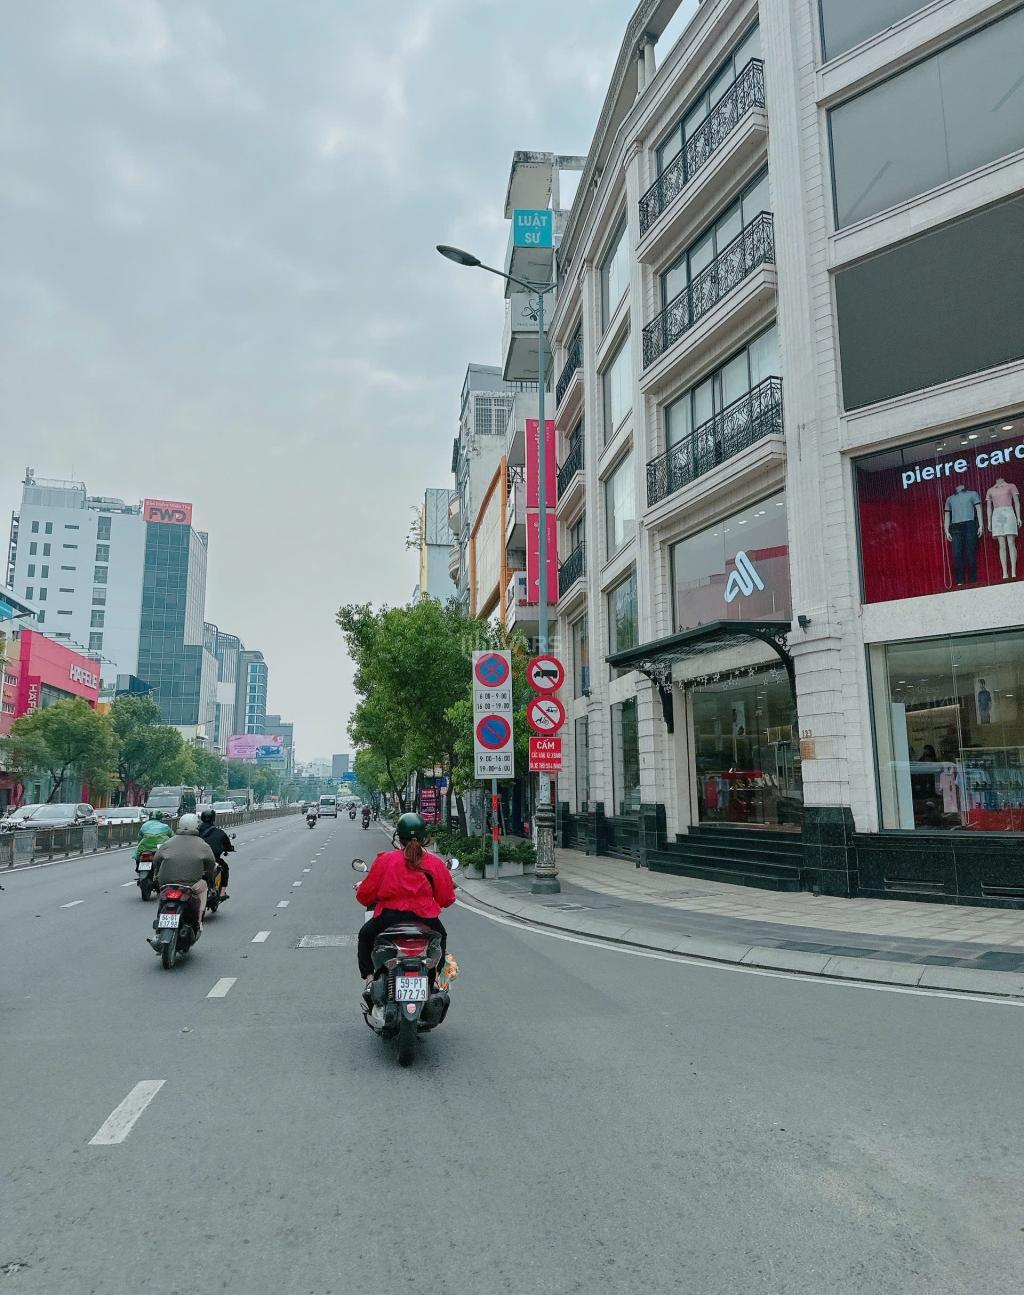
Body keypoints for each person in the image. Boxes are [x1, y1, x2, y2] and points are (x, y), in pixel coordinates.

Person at [355, 812, 456, 993]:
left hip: (389, 918)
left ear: (399, 837)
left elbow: (364, 897)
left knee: (365, 935)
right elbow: (446, 899)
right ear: (424, 837)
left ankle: (370, 980)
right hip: (426, 919)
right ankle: (435, 981)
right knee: (440, 937)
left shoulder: (385, 860)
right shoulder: (435, 863)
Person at [153, 813, 217, 927]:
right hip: (191, 885)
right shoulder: (202, 845)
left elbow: (156, 860)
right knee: (204, 887)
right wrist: (207, 872)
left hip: (166, 883)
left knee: (163, 897)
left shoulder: (168, 842)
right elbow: (211, 863)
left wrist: (157, 872)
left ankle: (159, 920)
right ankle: (199, 921)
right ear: (196, 826)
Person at [198, 808, 234, 897]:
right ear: (213, 819)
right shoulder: (220, 832)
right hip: (214, 859)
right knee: (225, 868)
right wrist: (230, 848)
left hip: (197, 859)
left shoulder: (195, 832)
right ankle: (222, 893)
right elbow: (228, 846)